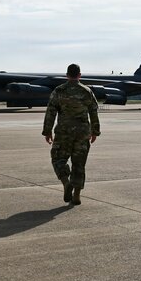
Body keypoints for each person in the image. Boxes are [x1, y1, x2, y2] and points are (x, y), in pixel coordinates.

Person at [42, 63, 100, 205]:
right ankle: (77, 196)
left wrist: (47, 131)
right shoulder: (87, 91)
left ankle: (66, 183)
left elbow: (51, 111)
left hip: (63, 132)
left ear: (67, 75)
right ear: (79, 75)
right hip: (82, 133)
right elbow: (93, 111)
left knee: (58, 159)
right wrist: (95, 131)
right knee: (79, 164)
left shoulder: (59, 91)